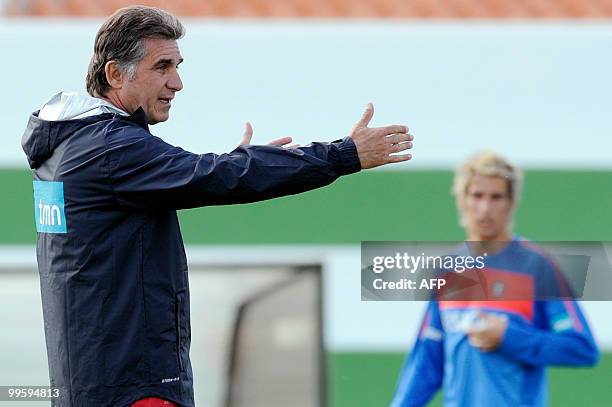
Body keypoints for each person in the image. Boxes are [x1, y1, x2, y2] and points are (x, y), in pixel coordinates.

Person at [21, 6, 414, 407]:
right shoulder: (111, 148)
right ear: (115, 75)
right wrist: (343, 155)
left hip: (91, 387)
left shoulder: (68, 147)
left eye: (177, 65)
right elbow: (215, 177)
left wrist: (241, 162)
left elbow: (197, 175)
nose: (177, 82)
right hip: (135, 390)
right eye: (162, 66)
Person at [390, 151, 599, 407]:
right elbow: (426, 363)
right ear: (462, 200)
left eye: (496, 197)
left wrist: (510, 336)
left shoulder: (537, 266)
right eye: (477, 196)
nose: (485, 209)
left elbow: (581, 348)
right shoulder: (447, 269)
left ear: (511, 203)